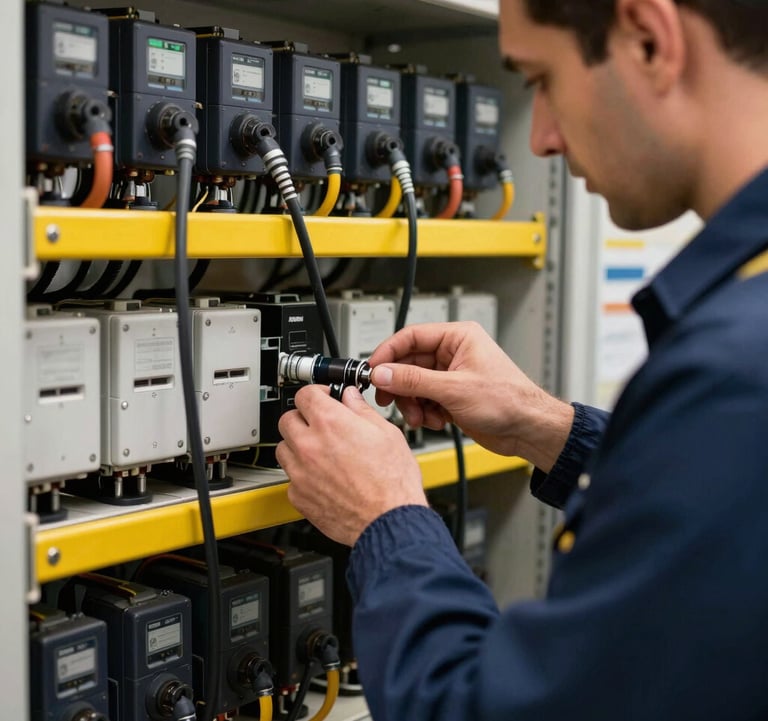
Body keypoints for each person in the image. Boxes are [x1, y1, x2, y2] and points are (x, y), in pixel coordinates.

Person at [276, 0, 768, 718]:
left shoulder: (734, 375)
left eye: (543, 78)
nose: (538, 138)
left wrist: (387, 518)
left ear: (650, 39)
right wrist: (546, 427)